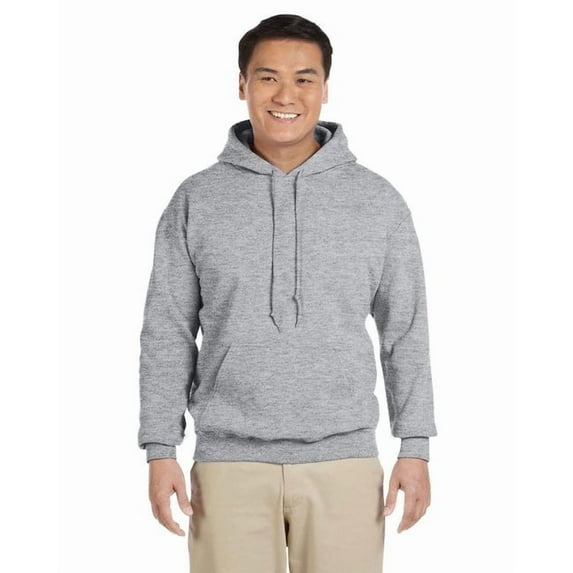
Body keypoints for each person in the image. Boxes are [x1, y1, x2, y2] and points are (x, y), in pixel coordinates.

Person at [138, 13, 438, 573]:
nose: (285, 95)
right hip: (226, 465)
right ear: (242, 84)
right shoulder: (197, 199)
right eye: (268, 77)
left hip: (345, 459)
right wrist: (160, 449)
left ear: (325, 87)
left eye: (304, 78)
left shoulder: (377, 201)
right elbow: (168, 330)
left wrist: (414, 446)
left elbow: (406, 329)